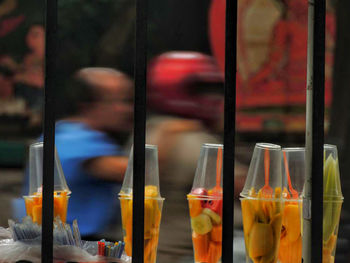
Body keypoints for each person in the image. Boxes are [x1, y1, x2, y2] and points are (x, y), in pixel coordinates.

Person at [146, 51, 246, 262]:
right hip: (182, 254)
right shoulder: (192, 140)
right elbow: (251, 190)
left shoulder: (151, 130)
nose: (214, 99)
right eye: (203, 90)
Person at [21, 67, 134, 241]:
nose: (128, 110)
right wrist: (165, 130)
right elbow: (134, 172)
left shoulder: (87, 135)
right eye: (120, 101)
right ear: (89, 105)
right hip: (65, 248)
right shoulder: (69, 139)